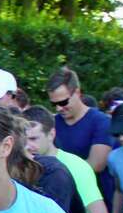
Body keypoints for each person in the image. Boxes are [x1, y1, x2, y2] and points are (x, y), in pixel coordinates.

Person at [46, 66, 113, 199]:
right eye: (54, 104)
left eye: (63, 102)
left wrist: (57, 175)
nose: (59, 108)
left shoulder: (100, 122)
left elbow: (97, 165)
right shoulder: (52, 123)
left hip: (94, 199)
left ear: (77, 93)